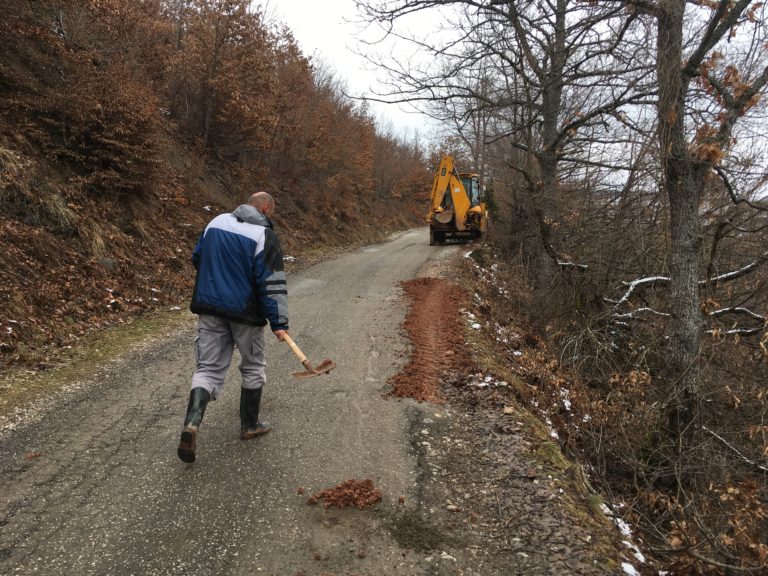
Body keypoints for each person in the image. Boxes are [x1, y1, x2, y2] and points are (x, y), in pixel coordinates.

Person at [177, 191, 289, 463]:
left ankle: (192, 422)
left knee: (208, 368)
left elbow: (197, 258)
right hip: (245, 314)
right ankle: (249, 425)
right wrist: (279, 322)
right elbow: (272, 283)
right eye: (270, 212)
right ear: (264, 208)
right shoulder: (264, 236)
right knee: (253, 366)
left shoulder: (215, 222)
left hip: (210, 308)